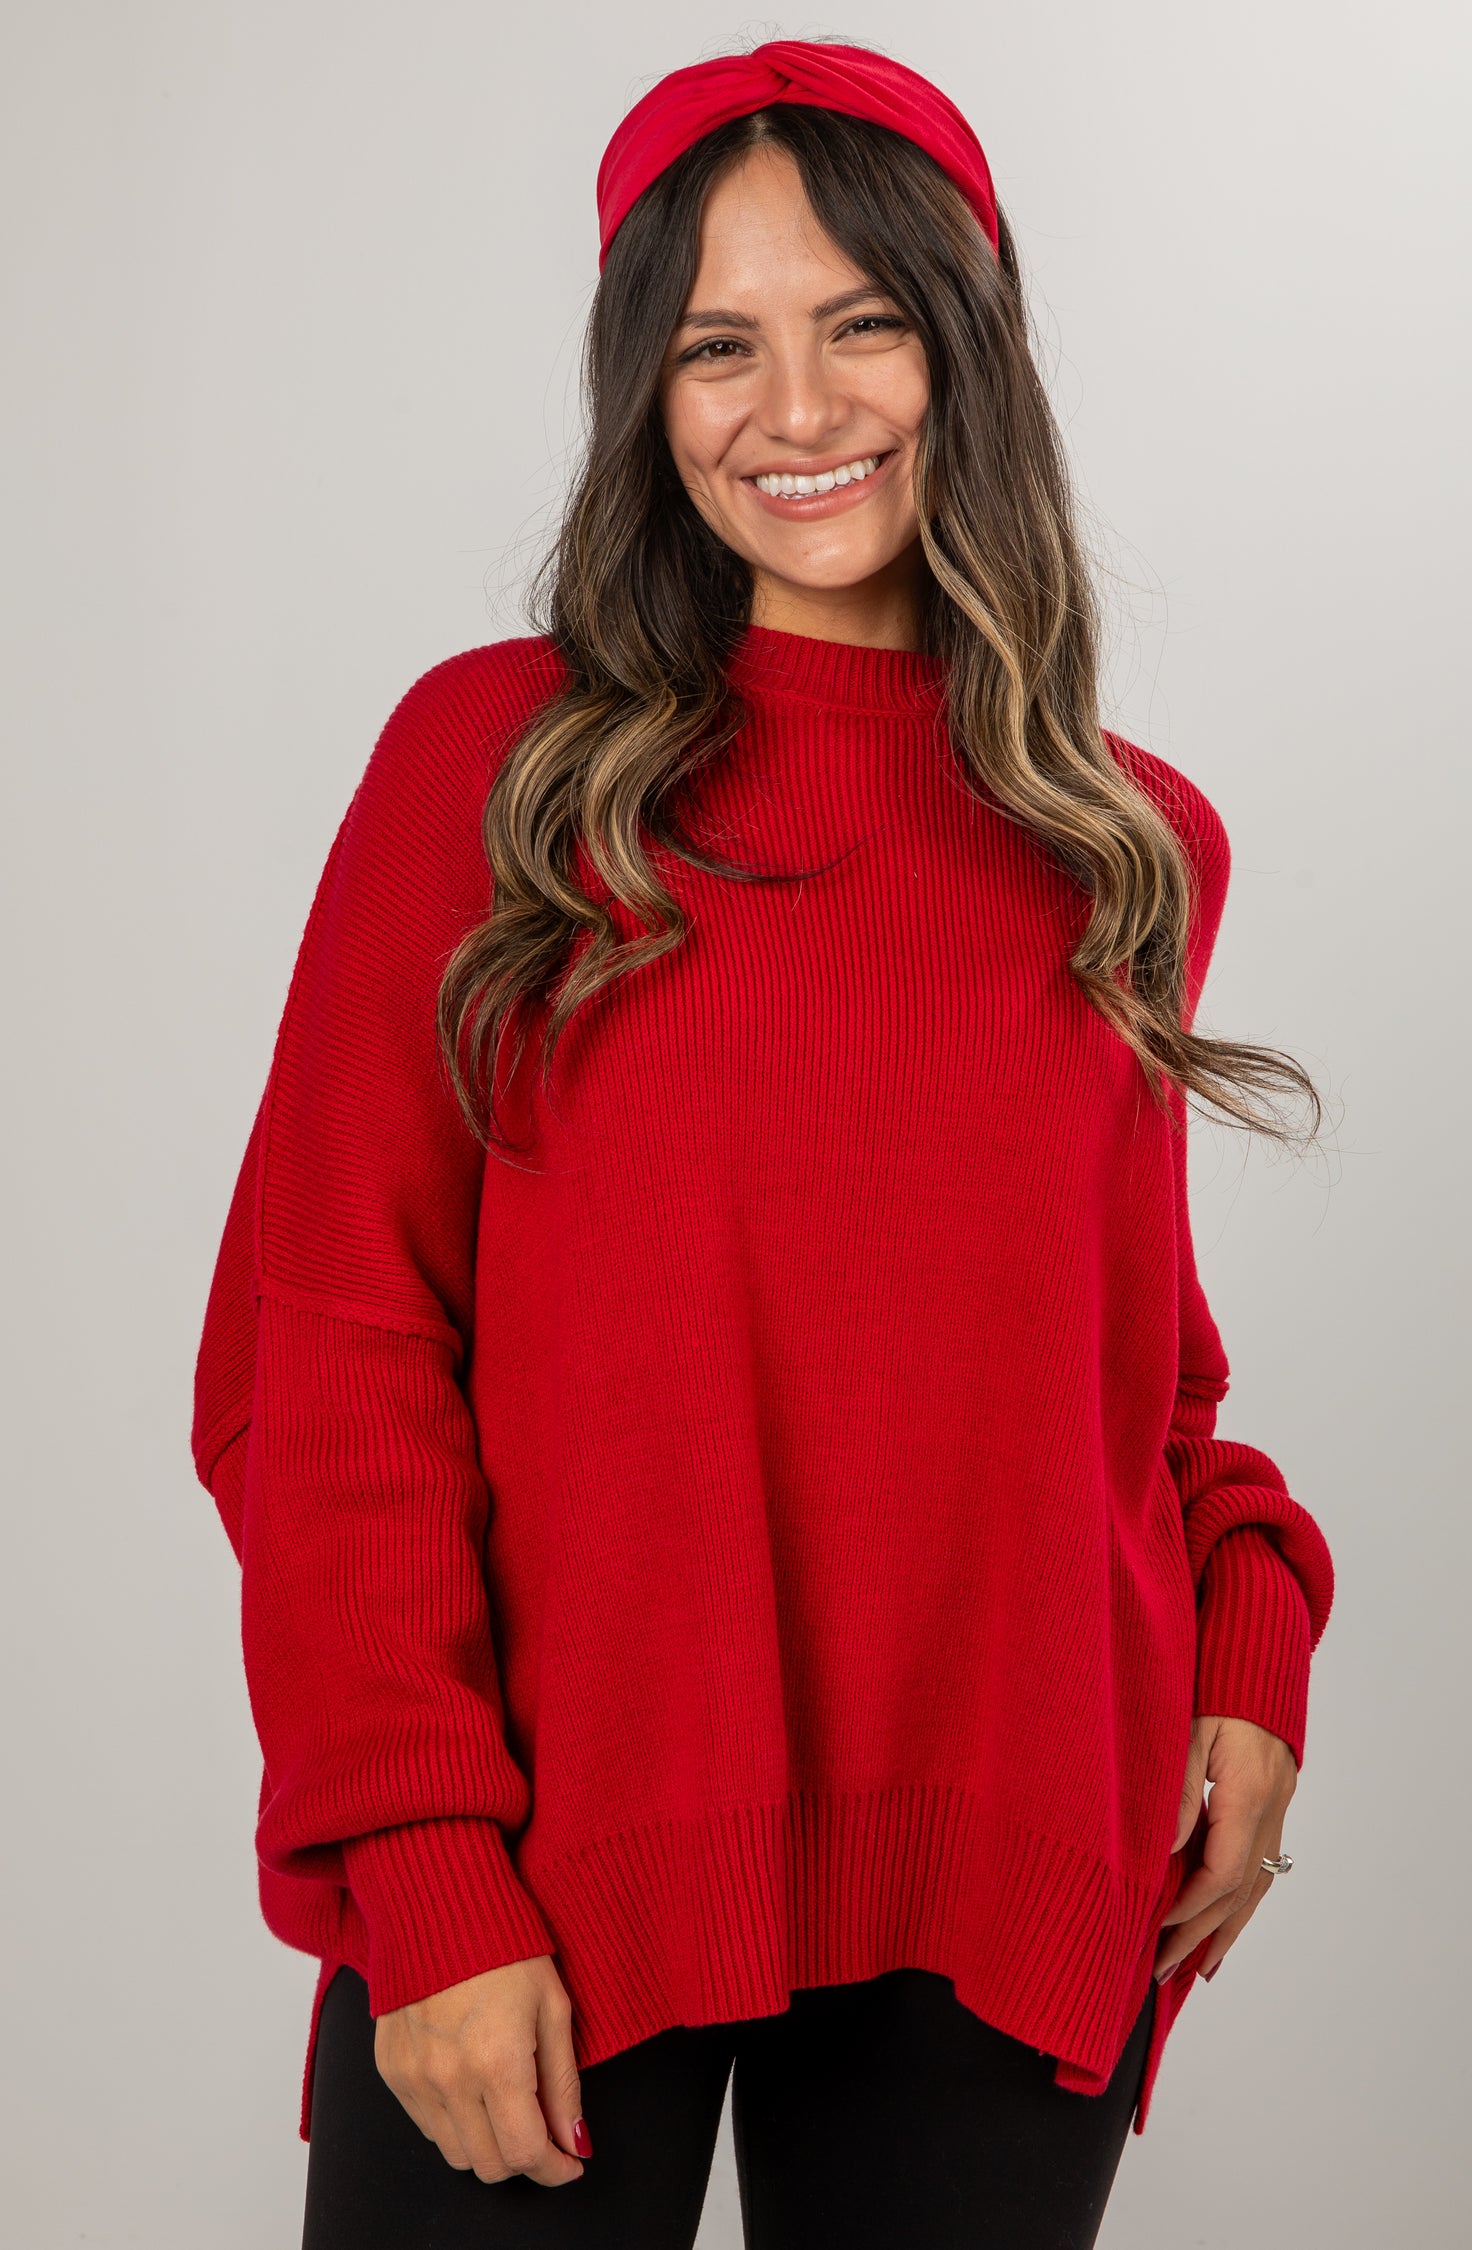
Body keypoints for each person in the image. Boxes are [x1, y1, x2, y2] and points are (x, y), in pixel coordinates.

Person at [191, 37, 1336, 2250]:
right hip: (548, 1871)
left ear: (972, 344)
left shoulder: (1127, 845)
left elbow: (1132, 1385)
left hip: (1010, 1858)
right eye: (718, 344)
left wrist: (1252, 1644)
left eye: (863, 322)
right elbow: (327, 1348)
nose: (795, 409)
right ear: (646, 388)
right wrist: (418, 1861)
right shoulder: (495, 771)